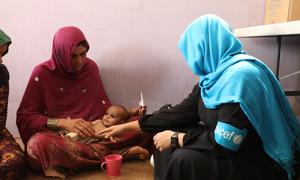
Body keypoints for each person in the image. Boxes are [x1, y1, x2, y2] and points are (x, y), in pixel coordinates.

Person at [99, 14, 300, 180]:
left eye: (192, 51)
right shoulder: (213, 77)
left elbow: (226, 144)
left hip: (259, 159)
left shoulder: (240, 78)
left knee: (183, 158)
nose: (190, 60)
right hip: (232, 149)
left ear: (205, 46)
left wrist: (176, 138)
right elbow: (179, 113)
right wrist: (128, 126)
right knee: (165, 137)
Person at [16, 26, 153, 178]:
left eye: (83, 54)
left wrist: (128, 114)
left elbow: (105, 110)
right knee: (37, 146)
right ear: (60, 54)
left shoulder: (90, 68)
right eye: (73, 56)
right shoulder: (42, 73)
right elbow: (26, 117)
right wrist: (62, 123)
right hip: (64, 139)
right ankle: (121, 153)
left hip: (97, 133)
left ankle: (88, 158)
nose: (80, 61)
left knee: (146, 124)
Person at [0, 29, 27, 179]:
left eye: (2, 54)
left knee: (14, 163)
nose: (1, 60)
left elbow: (0, 120)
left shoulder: (1, 74)